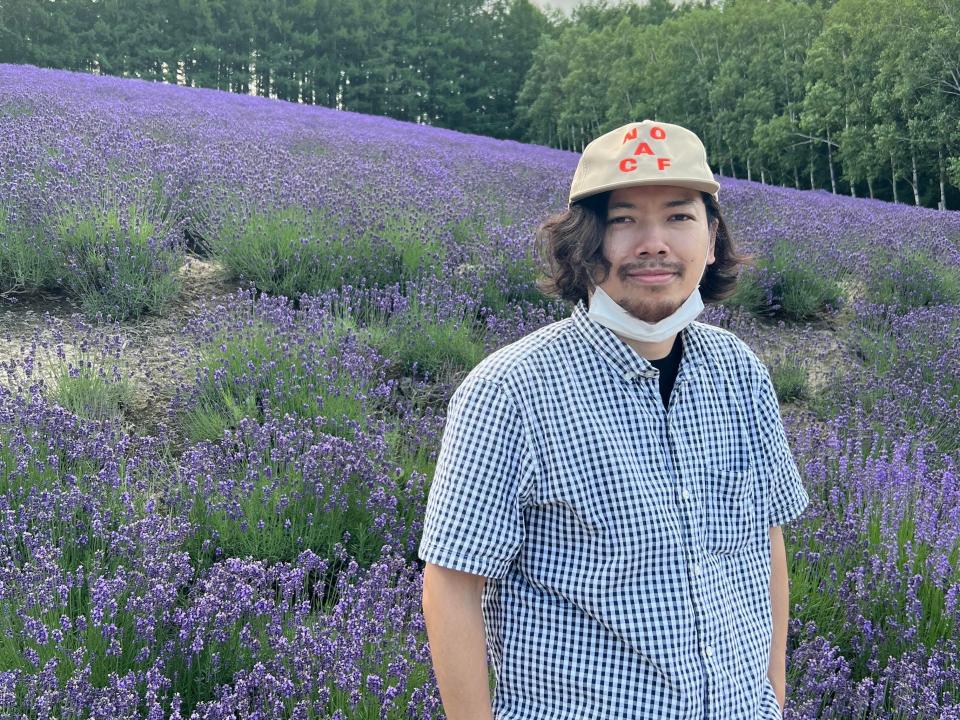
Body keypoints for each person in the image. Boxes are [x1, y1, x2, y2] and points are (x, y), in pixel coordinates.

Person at [418, 120, 809, 720]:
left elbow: (766, 545)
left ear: (711, 240)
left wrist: (773, 700)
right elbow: (452, 585)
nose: (654, 243)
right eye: (623, 219)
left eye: (680, 217)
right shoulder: (510, 391)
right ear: (583, 243)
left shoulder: (740, 373)